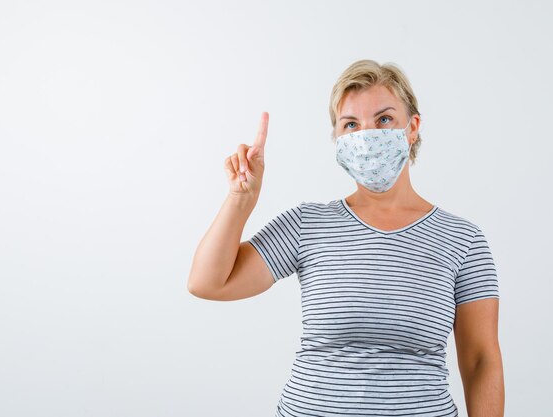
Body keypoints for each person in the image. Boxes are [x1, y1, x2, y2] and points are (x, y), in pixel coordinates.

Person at [187, 59, 504, 417]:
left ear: (412, 128)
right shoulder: (308, 223)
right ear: (338, 139)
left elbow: (481, 361)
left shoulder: (462, 240)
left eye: (384, 119)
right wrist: (240, 200)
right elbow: (207, 283)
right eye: (351, 124)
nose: (366, 135)